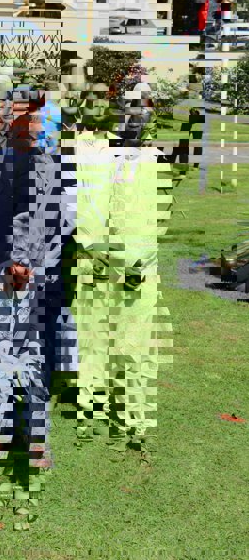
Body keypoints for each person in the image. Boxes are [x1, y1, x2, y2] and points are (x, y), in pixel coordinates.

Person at [0, 85, 67, 530]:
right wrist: (4, 265)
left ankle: (36, 439)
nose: (25, 119)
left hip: (37, 275)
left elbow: (58, 221)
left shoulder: (48, 159)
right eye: (17, 111)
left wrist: (34, 266)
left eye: (32, 113)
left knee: (33, 357)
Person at [72, 80, 171, 458]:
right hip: (94, 264)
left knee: (134, 345)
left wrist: (139, 262)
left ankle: (133, 421)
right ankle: (89, 413)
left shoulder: (155, 159)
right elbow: (83, 204)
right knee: (93, 342)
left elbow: (159, 219)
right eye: (129, 104)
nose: (136, 112)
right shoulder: (94, 153)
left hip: (137, 270)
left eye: (143, 105)